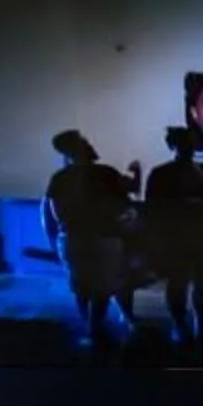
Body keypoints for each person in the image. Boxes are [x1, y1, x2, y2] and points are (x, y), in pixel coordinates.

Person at [140, 126, 203, 344]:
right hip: (176, 236)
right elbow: (154, 208)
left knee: (202, 281)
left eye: (192, 143)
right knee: (179, 281)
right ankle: (180, 324)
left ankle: (199, 323)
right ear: (173, 146)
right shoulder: (161, 173)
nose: (190, 148)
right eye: (185, 144)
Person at [41, 129, 135, 346]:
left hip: (74, 238)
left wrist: (56, 241)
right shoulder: (105, 173)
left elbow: (54, 214)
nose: (90, 144)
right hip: (103, 237)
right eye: (85, 142)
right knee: (101, 286)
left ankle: (93, 328)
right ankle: (95, 329)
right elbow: (124, 203)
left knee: (82, 286)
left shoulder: (60, 178)